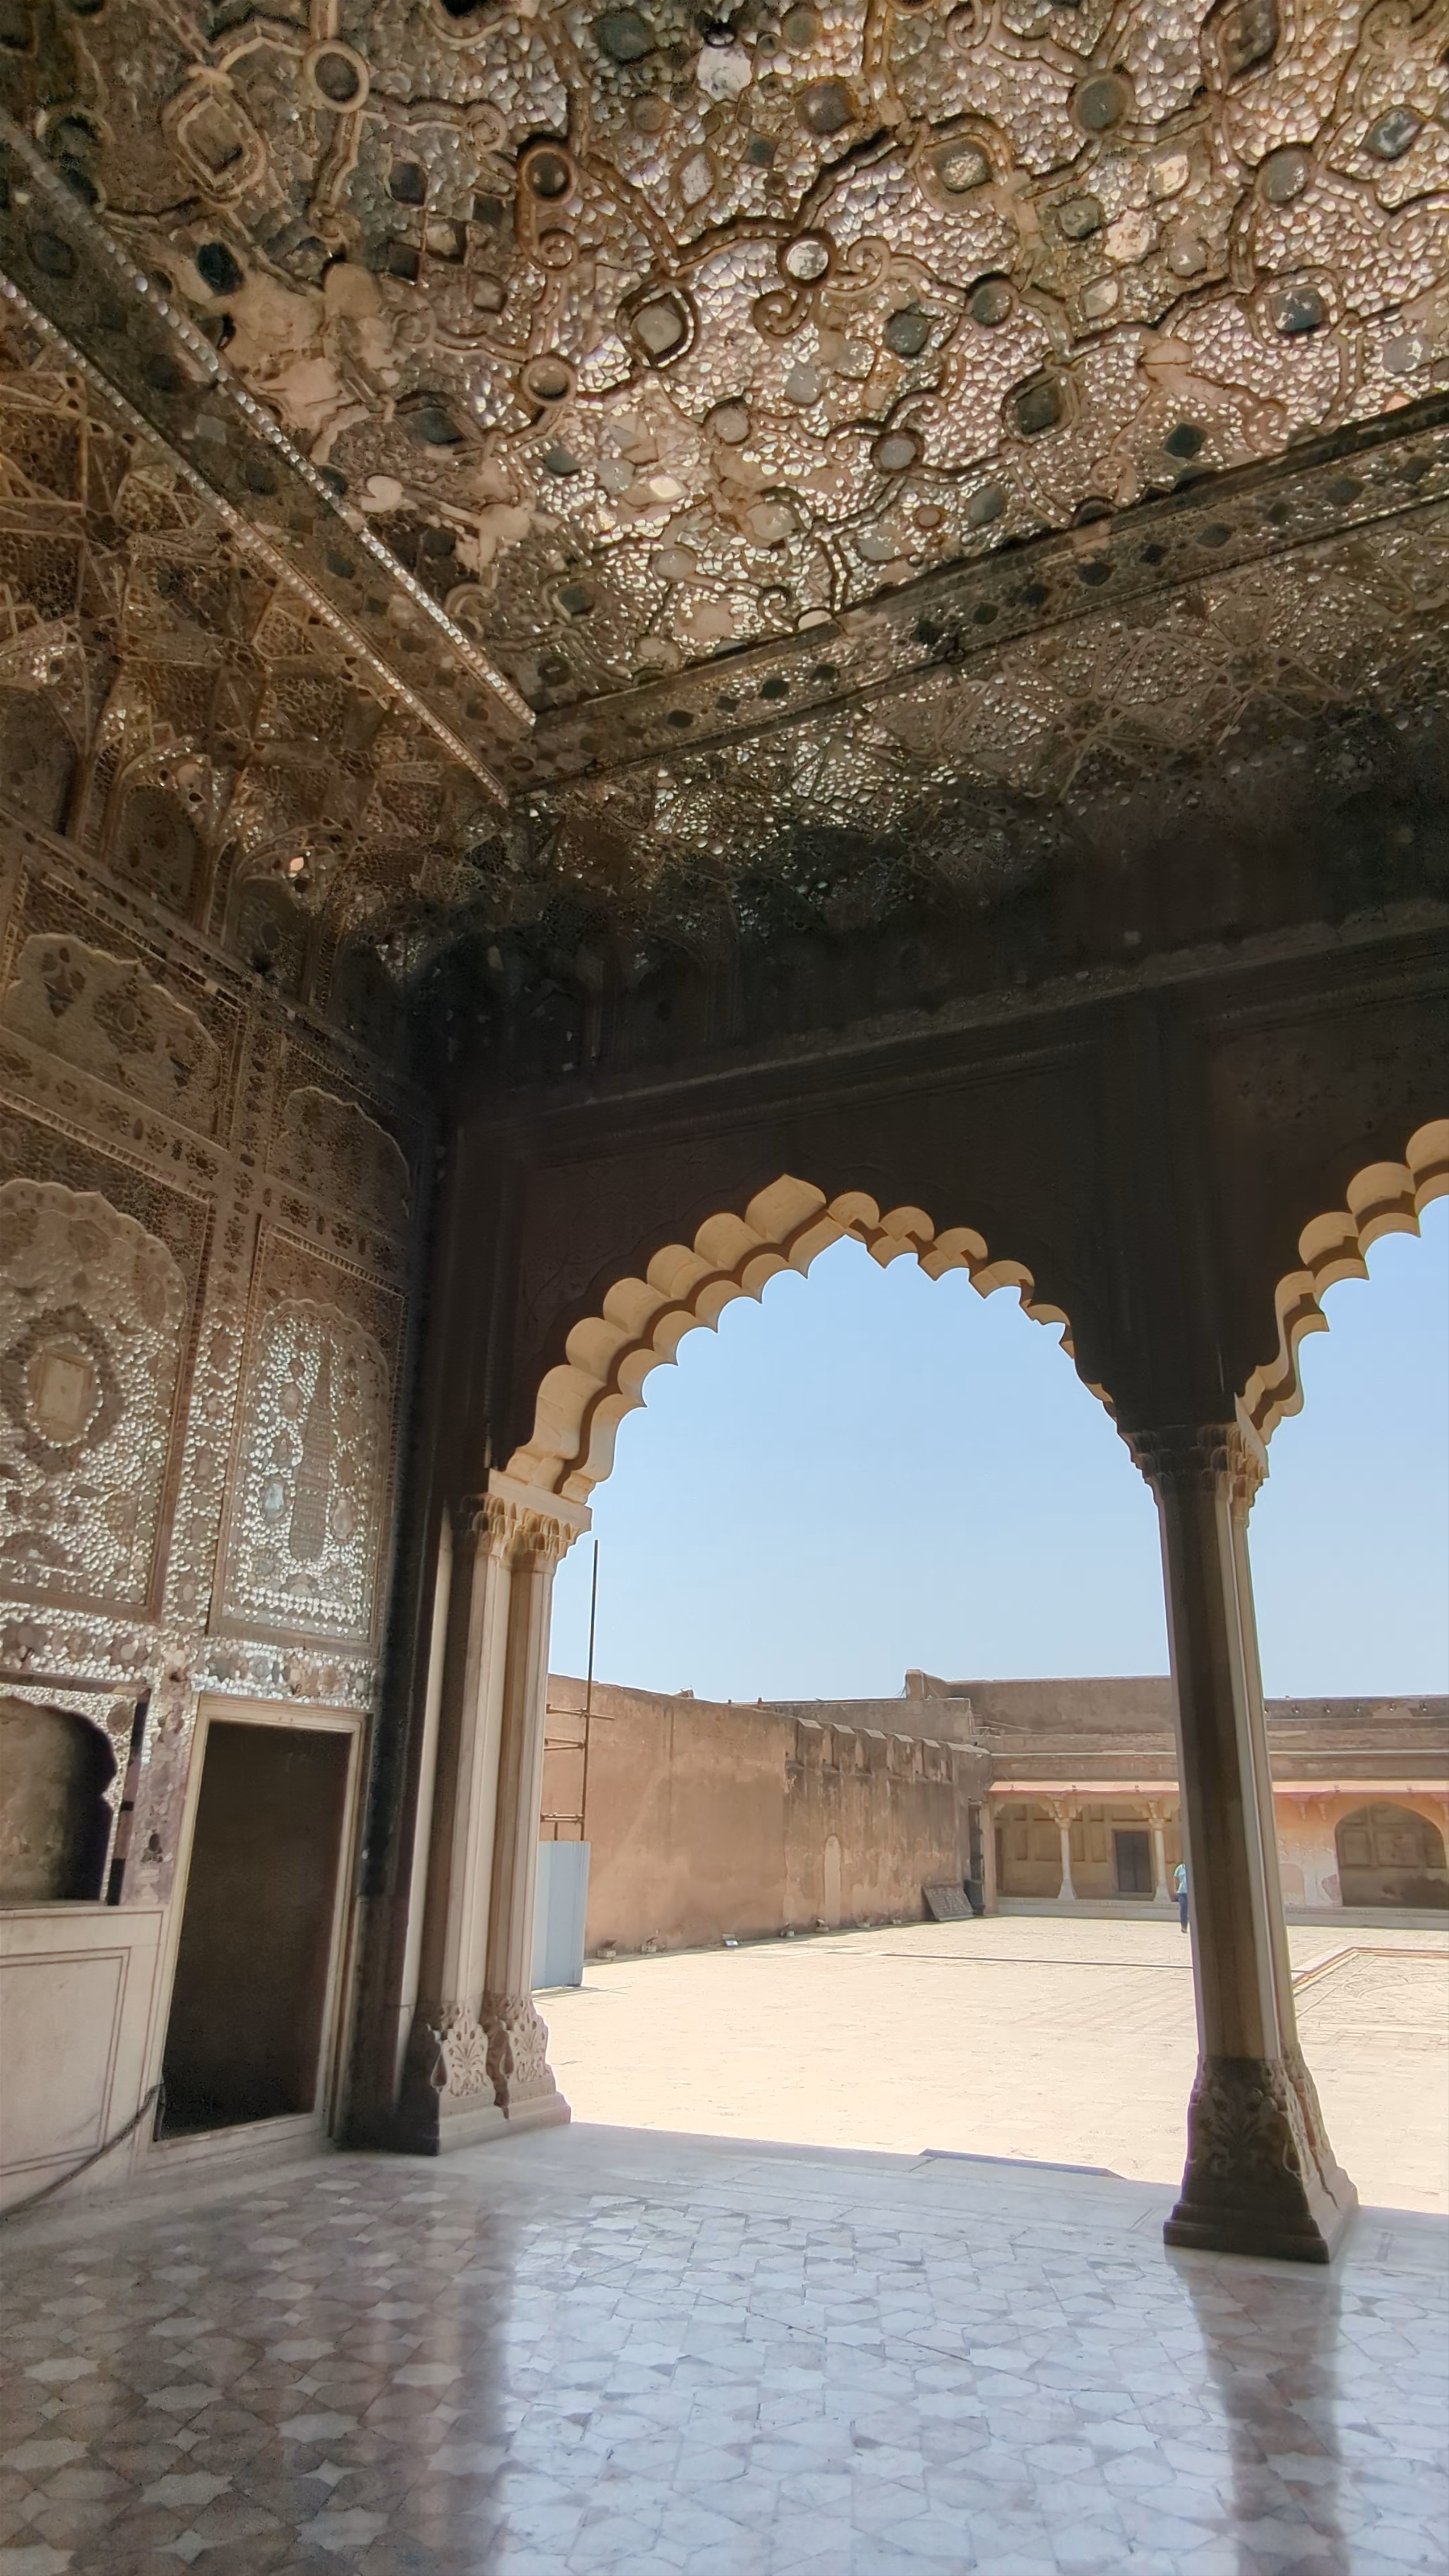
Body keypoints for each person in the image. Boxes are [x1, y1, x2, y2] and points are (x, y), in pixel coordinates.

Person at [1172, 1858, 1188, 1933]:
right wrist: (1176, 1889)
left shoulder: (1191, 1868)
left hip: (1191, 1893)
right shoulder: (1180, 1868)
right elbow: (1175, 1878)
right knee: (1183, 1910)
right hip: (1182, 1892)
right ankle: (1184, 1927)